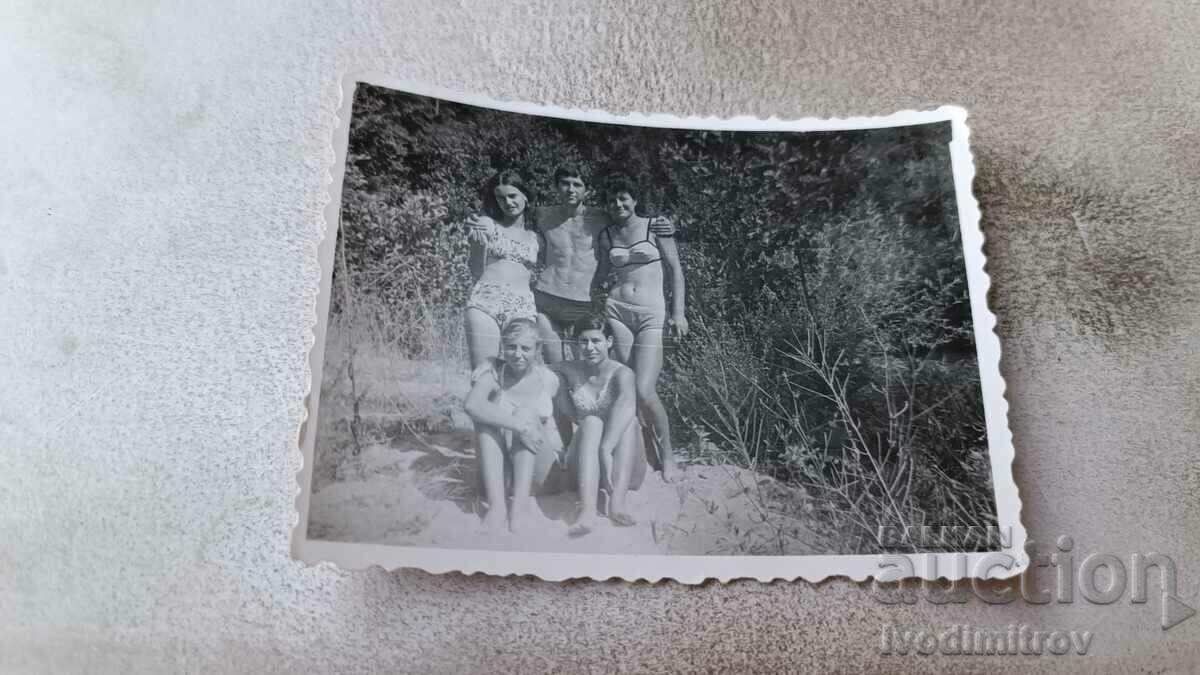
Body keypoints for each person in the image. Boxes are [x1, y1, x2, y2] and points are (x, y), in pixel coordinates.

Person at [469, 165, 674, 364]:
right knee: (555, 366)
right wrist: (482, 222)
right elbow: (508, 212)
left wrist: (661, 223)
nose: (570, 189)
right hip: (547, 300)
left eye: (577, 184)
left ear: (587, 189)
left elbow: (631, 221)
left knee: (584, 367)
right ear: (556, 187)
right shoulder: (542, 215)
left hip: (583, 302)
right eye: (564, 183)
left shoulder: (602, 218)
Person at [596, 174, 688, 483]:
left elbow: (676, 270)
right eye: (611, 200)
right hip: (617, 311)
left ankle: (669, 456)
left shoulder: (656, 227)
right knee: (625, 385)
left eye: (624, 198)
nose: (618, 204)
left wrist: (679, 313)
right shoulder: (607, 233)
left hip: (651, 314)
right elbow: (600, 273)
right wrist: (590, 308)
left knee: (644, 389)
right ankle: (640, 451)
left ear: (635, 199)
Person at [463, 318, 563, 533]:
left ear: (538, 349)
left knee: (526, 412)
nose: (517, 354)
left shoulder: (549, 379)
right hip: (499, 476)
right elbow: (471, 405)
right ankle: (497, 507)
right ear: (502, 347)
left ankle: (520, 508)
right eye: (511, 347)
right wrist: (521, 427)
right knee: (486, 420)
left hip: (538, 474)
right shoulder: (492, 375)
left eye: (525, 348)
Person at [551, 316, 645, 536]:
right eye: (583, 342)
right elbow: (528, 367)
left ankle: (617, 504)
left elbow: (627, 404)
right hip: (586, 467)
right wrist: (491, 363)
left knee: (629, 422)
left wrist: (605, 449)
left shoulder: (623, 373)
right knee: (591, 423)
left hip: (622, 466)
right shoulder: (568, 369)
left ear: (609, 342)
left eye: (596, 341)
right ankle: (588, 511)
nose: (589, 348)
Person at [464, 170, 542, 370]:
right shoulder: (487, 224)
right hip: (487, 299)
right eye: (500, 197)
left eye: (512, 196)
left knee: (522, 373)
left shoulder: (535, 235)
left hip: (522, 303)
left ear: (525, 195)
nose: (507, 202)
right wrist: (476, 243)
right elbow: (475, 270)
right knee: (483, 373)